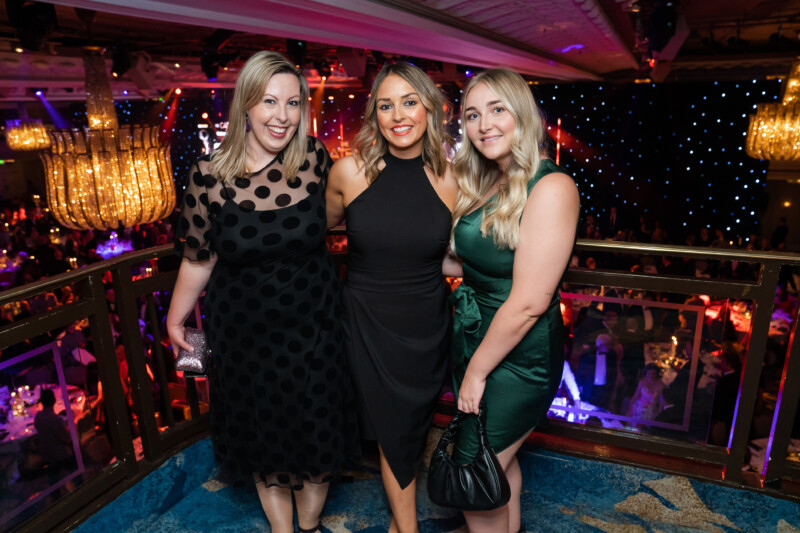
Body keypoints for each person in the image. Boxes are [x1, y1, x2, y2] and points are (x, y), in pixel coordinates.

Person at [166, 51, 356, 533]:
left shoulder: (314, 158)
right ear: (246, 105)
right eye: (269, 101)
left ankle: (309, 526)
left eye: (293, 103)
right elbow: (199, 257)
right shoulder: (208, 174)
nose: (282, 115)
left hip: (315, 326)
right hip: (246, 336)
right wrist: (175, 319)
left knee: (316, 430)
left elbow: (337, 220)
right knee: (264, 436)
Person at [325, 62, 458, 532]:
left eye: (409, 101)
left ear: (430, 109)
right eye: (386, 104)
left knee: (413, 428)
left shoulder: (453, 180)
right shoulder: (348, 173)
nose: (398, 114)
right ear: (374, 115)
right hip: (366, 323)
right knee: (395, 435)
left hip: (427, 325)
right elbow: (303, 236)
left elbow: (446, 255)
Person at [446, 68, 579, 533]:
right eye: (473, 115)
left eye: (497, 109)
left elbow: (528, 300)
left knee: (471, 474)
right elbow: (478, 262)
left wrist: (477, 374)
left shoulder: (552, 187)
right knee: (496, 461)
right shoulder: (493, 181)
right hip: (479, 334)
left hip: (519, 356)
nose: (484, 125)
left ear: (523, 114)